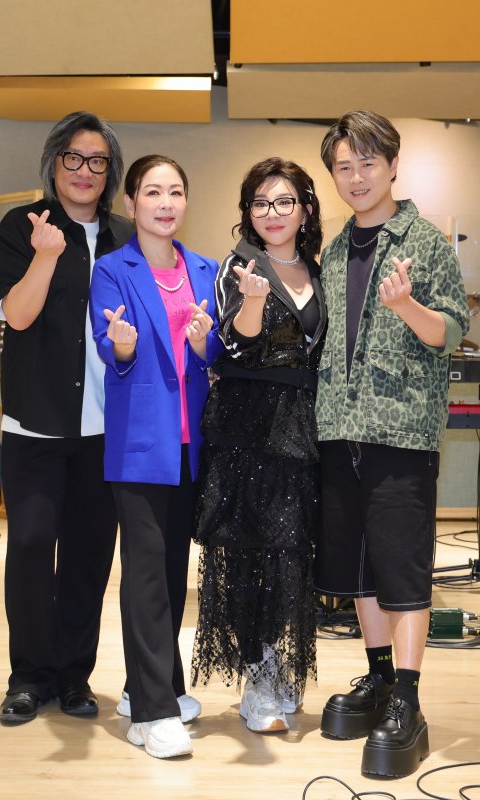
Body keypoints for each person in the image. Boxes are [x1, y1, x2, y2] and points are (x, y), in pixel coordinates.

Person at [315, 110, 469, 777]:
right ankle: (378, 679)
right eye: (343, 166)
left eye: (367, 163)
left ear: (392, 165)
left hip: (400, 433)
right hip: (337, 430)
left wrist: (407, 305)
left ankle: (407, 699)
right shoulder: (331, 250)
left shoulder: (423, 242)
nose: (356, 177)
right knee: (358, 570)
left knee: (401, 572)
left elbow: (451, 332)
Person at [0, 111, 133, 725]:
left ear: (110, 172)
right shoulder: (21, 227)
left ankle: (74, 676)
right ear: (54, 163)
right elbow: (17, 315)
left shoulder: (127, 236)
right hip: (36, 424)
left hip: (105, 429)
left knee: (88, 557)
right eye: (73, 157)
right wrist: (46, 257)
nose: (84, 170)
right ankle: (29, 676)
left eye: (98, 161)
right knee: (28, 548)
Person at [89, 154, 221, 759]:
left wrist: (205, 345)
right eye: (152, 192)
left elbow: (215, 355)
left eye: (175, 192)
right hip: (140, 442)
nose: (165, 203)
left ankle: (152, 683)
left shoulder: (205, 269)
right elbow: (111, 347)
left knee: (171, 571)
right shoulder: (112, 269)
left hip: (192, 445)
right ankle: (152, 712)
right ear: (131, 203)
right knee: (144, 572)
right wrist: (121, 347)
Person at [191, 157, 327, 734]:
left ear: (305, 210)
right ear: (248, 212)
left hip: (298, 426)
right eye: (260, 202)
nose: (272, 212)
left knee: (290, 553)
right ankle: (258, 676)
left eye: (284, 201)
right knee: (249, 554)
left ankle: (275, 661)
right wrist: (251, 300)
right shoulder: (240, 265)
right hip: (246, 425)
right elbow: (235, 346)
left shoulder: (316, 269)